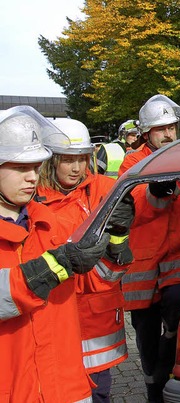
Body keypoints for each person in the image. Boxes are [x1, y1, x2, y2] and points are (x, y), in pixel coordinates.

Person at [0, 106, 118, 402]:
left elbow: (88, 280)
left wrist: (115, 248)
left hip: (65, 386)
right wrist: (50, 268)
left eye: (35, 166)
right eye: (19, 167)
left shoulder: (47, 222)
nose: (31, 177)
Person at [119, 94, 180, 402]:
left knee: (178, 301)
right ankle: (153, 388)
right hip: (144, 262)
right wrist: (163, 187)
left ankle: (173, 352)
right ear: (147, 133)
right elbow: (138, 206)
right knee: (147, 339)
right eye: (161, 129)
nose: (169, 134)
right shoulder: (134, 162)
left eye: (173, 127)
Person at [36, 118, 135, 402]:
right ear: (50, 160)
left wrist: (120, 239)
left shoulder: (106, 189)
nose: (77, 168)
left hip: (96, 313)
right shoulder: (34, 198)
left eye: (82, 159)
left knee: (100, 390)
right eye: (68, 160)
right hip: (54, 312)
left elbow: (117, 264)